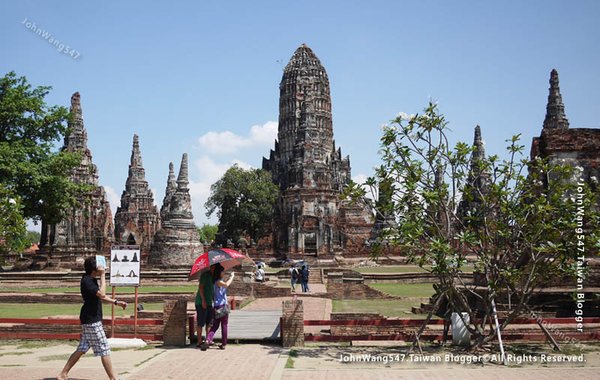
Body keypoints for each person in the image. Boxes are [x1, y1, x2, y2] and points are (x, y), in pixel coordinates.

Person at [58, 256, 127, 380]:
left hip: (90, 318)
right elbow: (102, 294)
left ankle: (63, 374)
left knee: (82, 348)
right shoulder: (87, 281)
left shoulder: (91, 280)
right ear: (94, 269)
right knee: (104, 347)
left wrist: (116, 302)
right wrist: (103, 276)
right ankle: (113, 378)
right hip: (91, 320)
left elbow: (101, 297)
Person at [201, 265, 234, 350]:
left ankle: (208, 341)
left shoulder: (216, 282)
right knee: (224, 325)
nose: (224, 273)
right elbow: (226, 285)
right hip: (222, 305)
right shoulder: (218, 282)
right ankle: (223, 344)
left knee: (215, 326)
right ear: (219, 273)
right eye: (222, 271)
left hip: (217, 306)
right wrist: (232, 277)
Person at [195, 264, 216, 347]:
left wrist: (214, 300)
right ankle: (199, 341)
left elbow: (212, 290)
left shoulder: (213, 277)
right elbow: (201, 288)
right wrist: (203, 300)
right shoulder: (205, 275)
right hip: (201, 302)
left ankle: (208, 340)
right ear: (211, 267)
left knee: (209, 322)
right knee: (201, 323)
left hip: (209, 302)